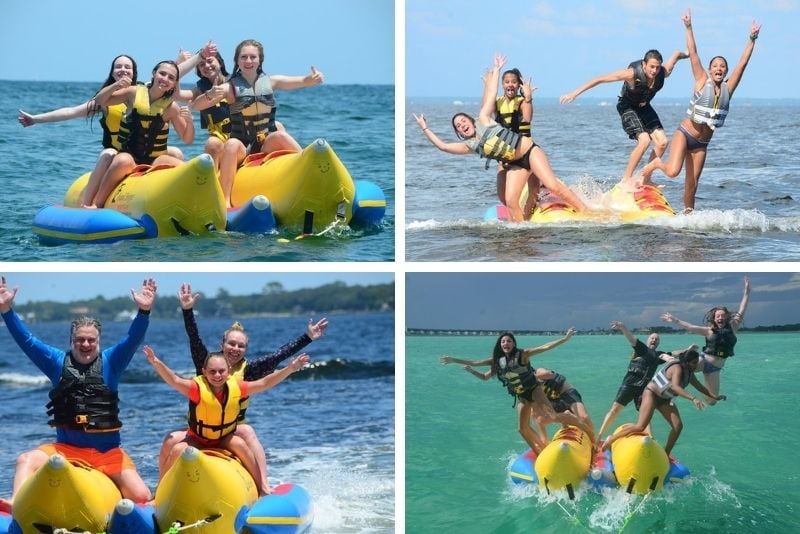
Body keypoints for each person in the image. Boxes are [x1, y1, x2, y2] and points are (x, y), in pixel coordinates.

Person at [0, 276, 157, 509]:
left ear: (99, 341)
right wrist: (6, 310)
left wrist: (143, 312)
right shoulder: (55, 361)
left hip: (108, 453)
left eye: (91, 340)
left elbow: (132, 340)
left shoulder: (112, 361)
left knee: (141, 495)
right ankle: (17, 504)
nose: (85, 344)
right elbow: (27, 341)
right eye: (80, 339)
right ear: (71, 340)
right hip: (66, 451)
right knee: (26, 459)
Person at [157, 283, 328, 486]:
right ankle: (161, 488)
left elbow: (280, 355)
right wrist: (187, 310)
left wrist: (307, 338)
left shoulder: (250, 370)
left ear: (245, 349)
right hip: (201, 429)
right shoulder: (207, 362)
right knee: (170, 440)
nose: (235, 348)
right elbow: (194, 337)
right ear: (222, 345)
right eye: (231, 344)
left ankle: (263, 483)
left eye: (241, 346)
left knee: (247, 431)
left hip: (232, 428)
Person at [414, 54, 587, 222]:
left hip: (529, 151)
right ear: (459, 132)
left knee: (553, 185)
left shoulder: (484, 119)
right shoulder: (469, 146)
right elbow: (442, 146)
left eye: (463, 121)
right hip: (514, 164)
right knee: (510, 201)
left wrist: (497, 70)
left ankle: (586, 212)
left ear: (471, 120)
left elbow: (491, 94)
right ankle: (521, 232)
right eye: (458, 126)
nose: (462, 125)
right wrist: (425, 128)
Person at [143, 346, 309, 496]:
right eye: (212, 371)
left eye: (221, 371)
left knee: (241, 445)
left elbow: (264, 383)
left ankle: (262, 489)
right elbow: (174, 380)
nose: (217, 375)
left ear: (229, 371)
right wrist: (156, 362)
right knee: (178, 448)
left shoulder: (238, 388)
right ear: (204, 372)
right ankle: (160, 494)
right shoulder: (196, 389)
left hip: (224, 439)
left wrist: (290, 368)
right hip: (198, 439)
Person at [640, 10, 762, 212]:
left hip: (702, 144)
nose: (719, 68)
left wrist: (752, 38)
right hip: (685, 134)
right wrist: (688, 27)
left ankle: (688, 217)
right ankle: (655, 165)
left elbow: (743, 63)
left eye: (722, 66)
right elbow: (693, 53)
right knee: (672, 172)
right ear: (710, 68)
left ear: (725, 71)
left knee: (692, 185)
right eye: (715, 65)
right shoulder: (700, 79)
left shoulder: (728, 89)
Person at [192, 39, 324, 207]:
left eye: (253, 57)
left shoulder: (271, 81)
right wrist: (210, 95)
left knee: (280, 133)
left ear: (260, 60)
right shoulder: (229, 87)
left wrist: (313, 78)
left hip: (264, 141)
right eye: (244, 57)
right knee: (231, 144)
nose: (248, 61)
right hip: (243, 145)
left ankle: (313, 171)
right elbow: (196, 106)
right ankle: (224, 201)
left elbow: (302, 81)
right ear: (237, 61)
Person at [441, 328, 596, 452]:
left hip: (534, 389)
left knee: (553, 417)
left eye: (508, 341)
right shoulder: (498, 362)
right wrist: (458, 362)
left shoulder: (523, 355)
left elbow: (545, 347)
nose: (505, 343)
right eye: (503, 341)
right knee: (522, 429)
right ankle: (541, 451)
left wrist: (565, 338)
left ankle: (581, 427)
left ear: (513, 344)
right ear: (500, 345)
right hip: (521, 395)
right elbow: (478, 367)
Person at [560, 48, 688, 186]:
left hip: (644, 106)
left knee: (662, 142)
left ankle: (645, 179)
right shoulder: (631, 74)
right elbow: (600, 78)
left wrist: (685, 54)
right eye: (651, 67)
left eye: (657, 67)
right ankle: (625, 180)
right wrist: (574, 93)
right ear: (644, 65)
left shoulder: (663, 72)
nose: (654, 71)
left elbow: (675, 56)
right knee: (644, 141)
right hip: (627, 107)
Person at [86, 60, 195, 208]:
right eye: (162, 73)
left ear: (175, 83)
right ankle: (98, 204)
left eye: (171, 77)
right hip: (130, 156)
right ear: (153, 74)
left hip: (155, 160)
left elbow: (187, 138)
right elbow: (99, 100)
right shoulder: (133, 93)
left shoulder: (172, 107)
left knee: (185, 167)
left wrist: (189, 122)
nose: (165, 79)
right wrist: (116, 85)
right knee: (122, 160)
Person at [602, 348, 725, 455]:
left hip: (664, 400)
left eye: (696, 363)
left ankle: (666, 453)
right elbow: (675, 387)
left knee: (678, 426)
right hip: (651, 394)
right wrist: (693, 398)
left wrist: (714, 396)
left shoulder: (689, 373)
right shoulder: (677, 368)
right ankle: (611, 439)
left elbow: (699, 386)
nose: (695, 366)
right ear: (686, 362)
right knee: (640, 426)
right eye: (693, 363)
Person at [597, 321, 696, 441]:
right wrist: (623, 327)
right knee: (615, 410)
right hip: (629, 384)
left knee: (645, 413)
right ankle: (600, 436)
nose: (654, 340)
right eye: (652, 338)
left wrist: (687, 350)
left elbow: (673, 353)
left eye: (657, 339)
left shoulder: (659, 355)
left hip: (644, 388)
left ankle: (650, 438)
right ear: (648, 340)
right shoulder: (642, 349)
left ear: (658, 343)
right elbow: (631, 338)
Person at [661, 276, 751, 401]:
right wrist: (675, 320)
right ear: (714, 318)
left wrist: (746, 292)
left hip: (715, 369)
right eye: (718, 316)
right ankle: (669, 357)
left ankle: (688, 366)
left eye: (723, 316)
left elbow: (742, 309)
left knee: (712, 401)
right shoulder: (708, 331)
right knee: (681, 370)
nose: (720, 318)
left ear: (727, 317)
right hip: (703, 361)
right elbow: (690, 327)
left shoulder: (734, 327)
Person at [493, 68, 542, 217]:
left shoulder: (522, 102)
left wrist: (528, 97)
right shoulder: (497, 103)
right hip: (504, 153)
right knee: (503, 196)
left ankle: (527, 218)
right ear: (502, 84)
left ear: (518, 85)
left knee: (534, 188)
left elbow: (527, 118)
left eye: (514, 82)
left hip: (525, 152)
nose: (510, 85)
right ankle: (521, 214)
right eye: (507, 82)